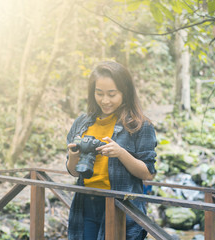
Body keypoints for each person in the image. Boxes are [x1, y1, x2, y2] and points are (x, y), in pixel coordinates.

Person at [66, 61, 157, 240]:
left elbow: (148, 173)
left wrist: (121, 153)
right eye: (99, 93)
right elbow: (73, 171)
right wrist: (73, 156)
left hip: (122, 207)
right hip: (86, 204)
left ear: (125, 92)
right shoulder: (82, 123)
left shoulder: (139, 126)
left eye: (112, 94)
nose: (105, 100)